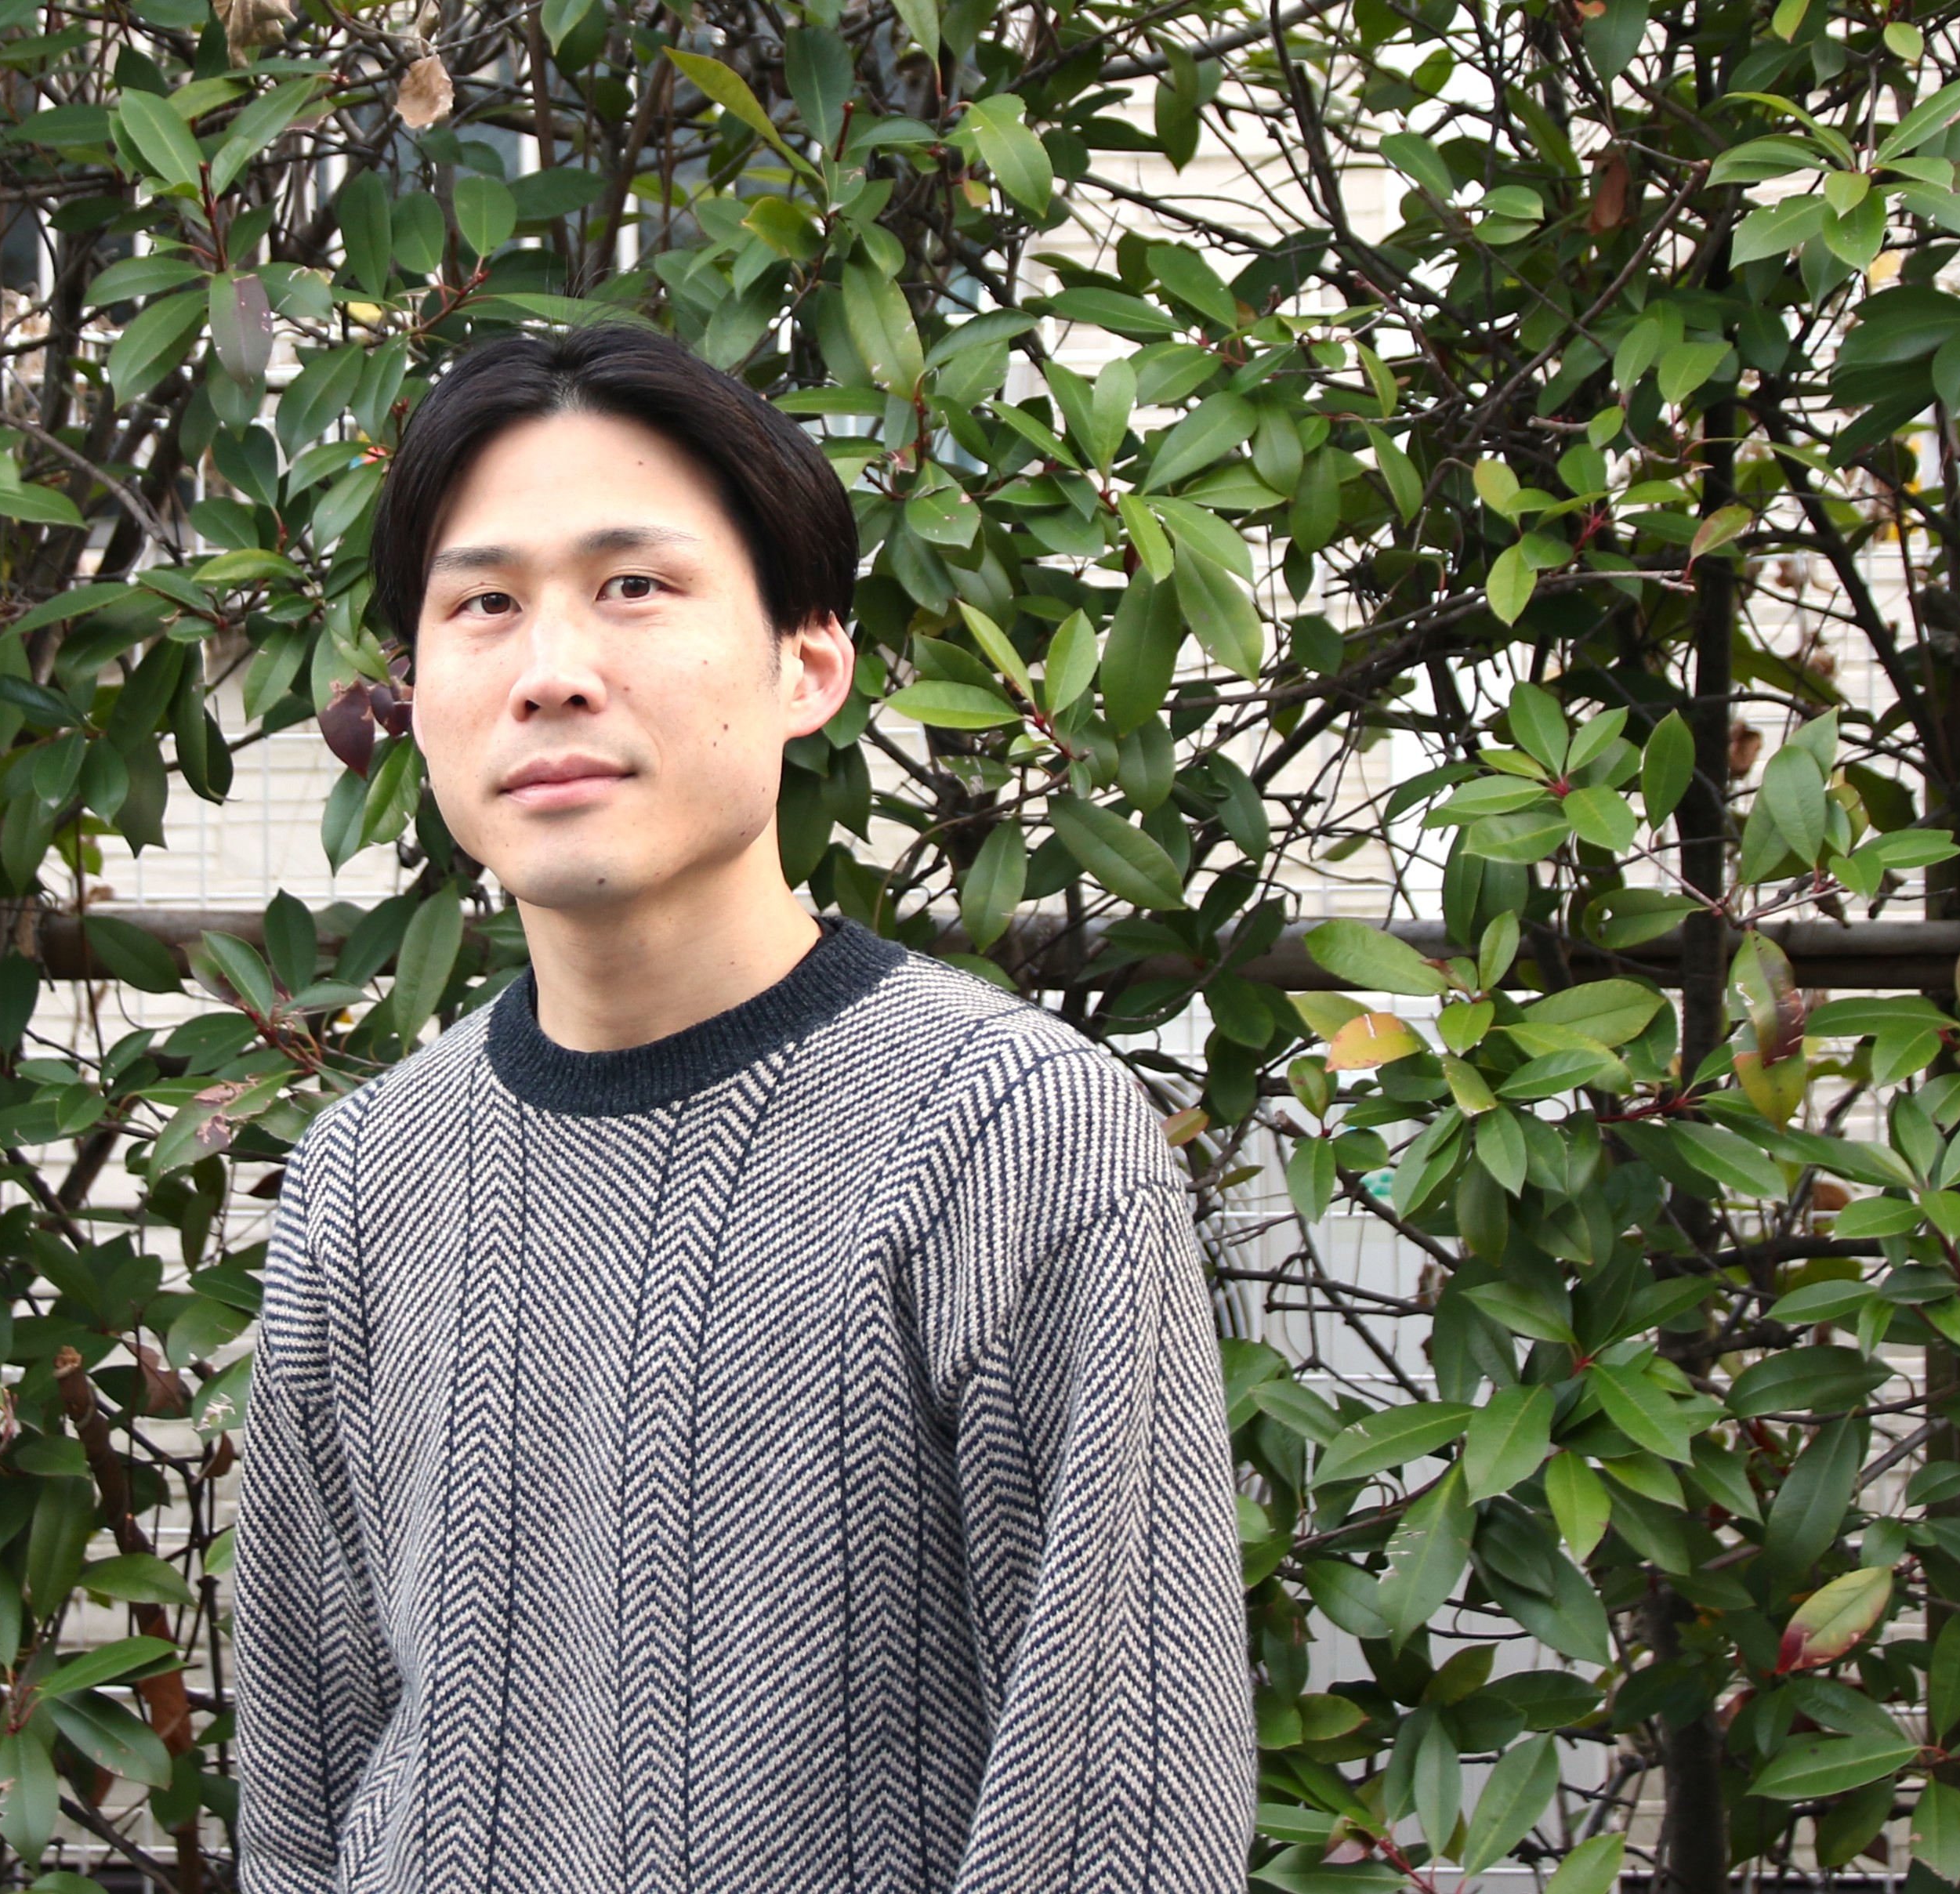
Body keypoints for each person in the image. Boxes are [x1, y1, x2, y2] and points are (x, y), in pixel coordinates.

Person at [230, 321, 1254, 1894]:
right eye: (483, 604)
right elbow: (308, 1779)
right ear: (416, 693)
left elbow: (1121, 1799)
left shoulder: (1007, 1135)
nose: (551, 670)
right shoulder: (365, 1177)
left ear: (807, 665)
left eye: (633, 585)